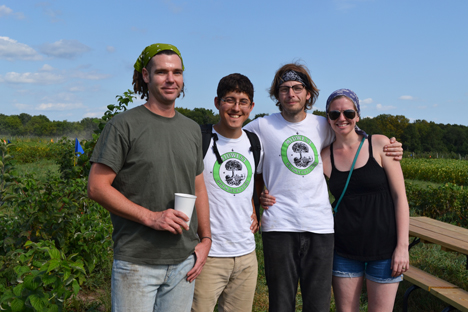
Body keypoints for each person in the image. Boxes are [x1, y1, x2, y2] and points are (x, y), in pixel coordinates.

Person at [245, 63, 403, 312]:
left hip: (320, 228)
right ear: (277, 95)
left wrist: (391, 145)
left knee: (318, 305)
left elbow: (352, 135)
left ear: (308, 94)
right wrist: (258, 194)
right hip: (279, 225)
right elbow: (238, 153)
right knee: (281, 303)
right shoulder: (260, 126)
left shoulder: (322, 125)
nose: (291, 94)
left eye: (298, 88)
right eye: (284, 89)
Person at [87, 43, 211, 312]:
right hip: (136, 263)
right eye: (162, 72)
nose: (171, 79)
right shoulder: (123, 125)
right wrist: (151, 217)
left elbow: (198, 186)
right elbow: (97, 187)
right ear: (146, 75)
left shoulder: (191, 129)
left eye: (177, 72)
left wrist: (206, 240)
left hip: (183, 263)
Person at [321, 89, 409, 312]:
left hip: (385, 250)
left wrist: (402, 247)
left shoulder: (379, 144)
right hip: (344, 250)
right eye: (334, 114)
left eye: (348, 113)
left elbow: (400, 198)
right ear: (328, 118)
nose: (342, 119)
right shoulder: (324, 157)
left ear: (357, 116)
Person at [191, 73, 261, 312]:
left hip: (246, 255)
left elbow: (254, 182)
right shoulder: (199, 139)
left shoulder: (254, 142)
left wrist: (255, 208)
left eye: (243, 101)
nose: (236, 108)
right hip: (207, 254)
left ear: (251, 107)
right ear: (217, 102)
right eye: (229, 100)